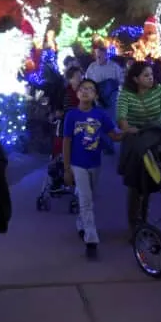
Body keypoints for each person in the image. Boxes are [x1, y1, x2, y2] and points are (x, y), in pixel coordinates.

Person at [62, 78, 121, 259]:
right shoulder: (71, 115)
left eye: (90, 89)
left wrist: (129, 133)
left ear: (95, 95)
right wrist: (66, 168)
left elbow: (114, 135)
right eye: (82, 89)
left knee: (87, 196)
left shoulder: (101, 115)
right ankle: (91, 240)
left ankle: (81, 223)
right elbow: (67, 141)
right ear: (78, 93)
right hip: (77, 163)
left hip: (95, 163)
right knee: (86, 200)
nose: (86, 92)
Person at [116, 61, 161, 237]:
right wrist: (127, 127)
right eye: (146, 76)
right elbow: (121, 116)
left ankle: (147, 218)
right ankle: (134, 225)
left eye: (151, 75)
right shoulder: (126, 94)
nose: (150, 78)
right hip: (135, 141)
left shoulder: (159, 91)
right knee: (135, 185)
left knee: (156, 180)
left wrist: (159, 125)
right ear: (135, 79)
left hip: (156, 138)